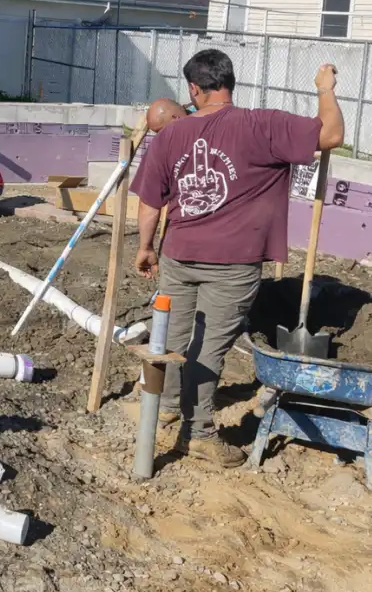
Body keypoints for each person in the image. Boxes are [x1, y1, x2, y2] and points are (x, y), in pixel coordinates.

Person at [130, 49, 344, 467]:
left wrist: (145, 247)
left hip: (179, 254)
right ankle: (200, 433)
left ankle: (169, 404)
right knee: (208, 347)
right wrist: (325, 90)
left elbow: (150, 202)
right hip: (233, 262)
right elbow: (331, 134)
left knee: (171, 337)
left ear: (194, 89)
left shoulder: (169, 136)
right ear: (230, 82)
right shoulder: (262, 125)